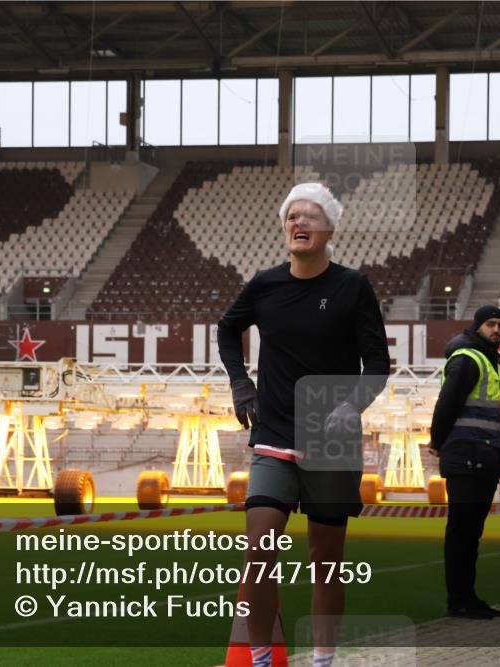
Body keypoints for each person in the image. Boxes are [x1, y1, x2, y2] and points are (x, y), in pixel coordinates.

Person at [217, 182, 390, 667]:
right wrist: (240, 384)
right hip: (273, 437)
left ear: (330, 228)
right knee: (258, 555)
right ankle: (262, 659)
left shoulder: (352, 286)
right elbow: (227, 328)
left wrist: (350, 406)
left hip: (331, 445)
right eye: (293, 216)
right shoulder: (265, 285)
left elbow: (377, 362)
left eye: (311, 216)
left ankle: (323, 661)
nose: (300, 223)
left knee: (326, 564)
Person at [427, 305, 500, 620]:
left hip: (484, 457)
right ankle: (458, 600)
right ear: (477, 327)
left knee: (471, 532)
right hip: (467, 456)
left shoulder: (488, 361)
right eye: (490, 324)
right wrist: (437, 441)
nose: (497, 330)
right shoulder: (468, 359)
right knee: (462, 531)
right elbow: (446, 404)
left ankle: (467, 596)